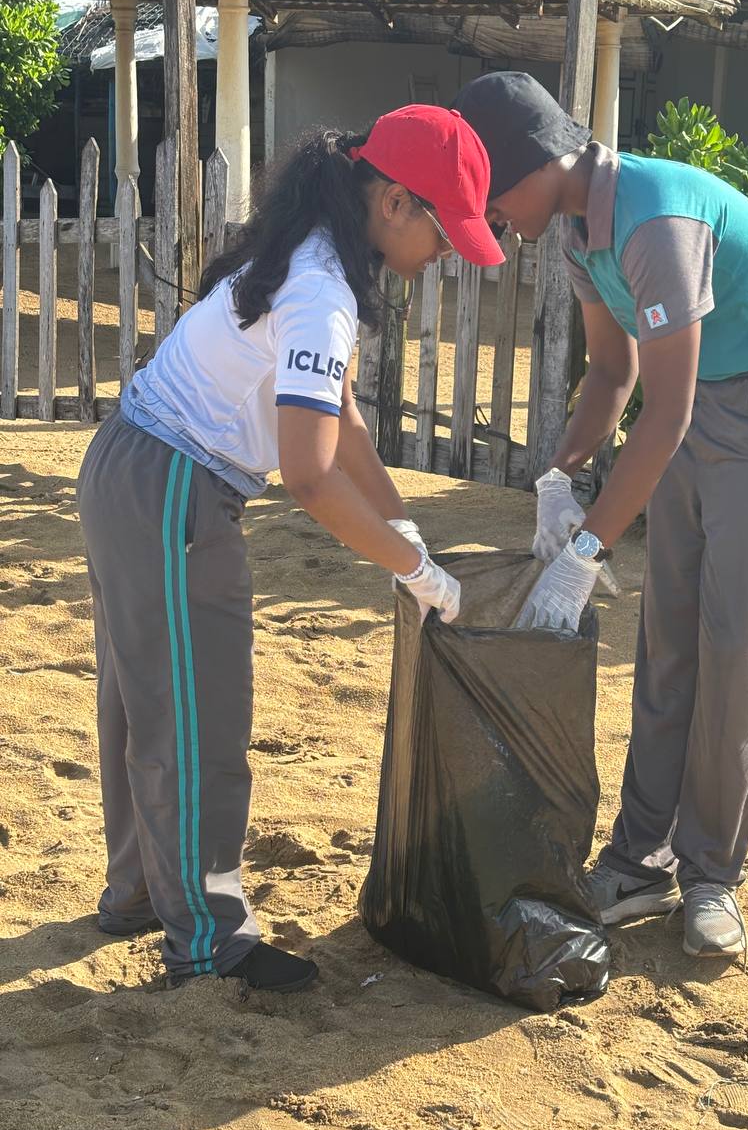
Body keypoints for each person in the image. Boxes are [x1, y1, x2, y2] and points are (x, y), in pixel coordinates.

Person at [76, 106, 504, 991]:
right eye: (443, 231)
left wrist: (406, 528)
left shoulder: (312, 249)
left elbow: (341, 421)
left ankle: (138, 892)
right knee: (198, 716)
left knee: (142, 698)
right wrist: (410, 568)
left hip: (133, 464)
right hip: (175, 489)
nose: (447, 253)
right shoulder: (321, 292)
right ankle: (208, 942)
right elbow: (309, 477)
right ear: (394, 201)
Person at [453, 72, 748, 959]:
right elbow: (612, 373)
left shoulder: (654, 225)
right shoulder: (575, 233)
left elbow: (661, 414)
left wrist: (587, 550)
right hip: (695, 404)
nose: (493, 219)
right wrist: (559, 476)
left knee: (735, 649)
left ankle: (711, 877)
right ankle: (639, 862)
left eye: (492, 197)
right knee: (667, 640)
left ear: (536, 164)